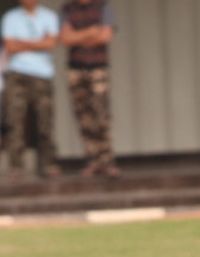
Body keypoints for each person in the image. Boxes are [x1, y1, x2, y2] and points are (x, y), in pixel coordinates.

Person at [60, 0, 119, 178]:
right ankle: (92, 161)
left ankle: (107, 161)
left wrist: (79, 36)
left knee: (101, 114)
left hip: (97, 67)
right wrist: (91, 32)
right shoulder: (68, 9)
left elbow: (105, 36)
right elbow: (65, 38)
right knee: (83, 116)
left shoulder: (102, 7)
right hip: (76, 68)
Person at [1, 0, 59, 181]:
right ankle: (16, 166)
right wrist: (37, 43)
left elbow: (50, 43)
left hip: (42, 74)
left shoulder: (49, 16)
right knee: (15, 121)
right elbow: (10, 46)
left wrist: (23, 44)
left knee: (44, 121)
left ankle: (47, 164)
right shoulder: (10, 18)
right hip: (17, 74)